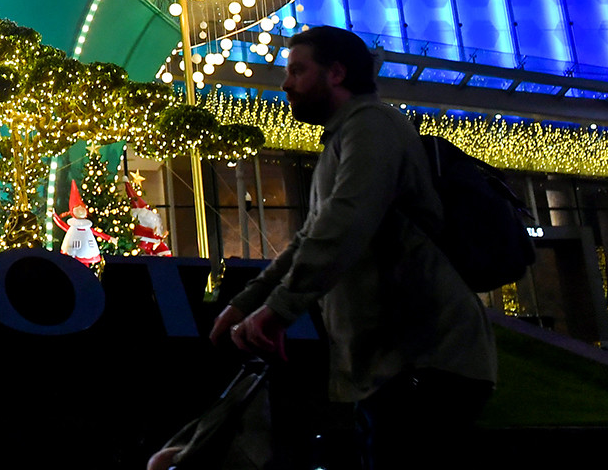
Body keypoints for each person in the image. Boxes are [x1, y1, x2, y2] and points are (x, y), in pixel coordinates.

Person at [209, 27, 495, 470]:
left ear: (337, 72)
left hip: (424, 362)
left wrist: (277, 310)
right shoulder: (342, 140)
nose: (286, 84)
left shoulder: (372, 126)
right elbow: (310, 237)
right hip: (389, 366)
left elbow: (345, 224)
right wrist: (249, 302)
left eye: (298, 71)